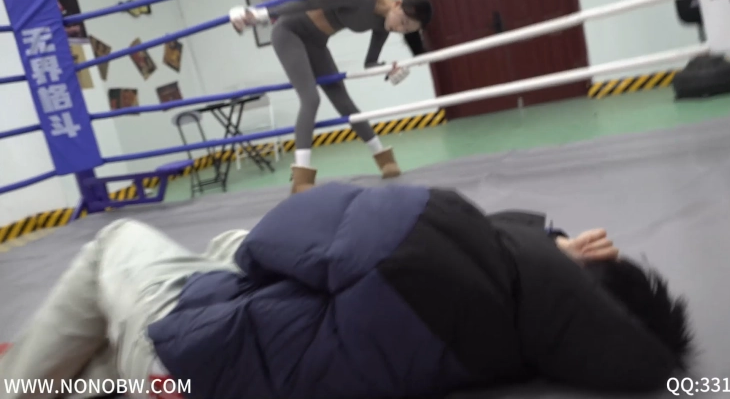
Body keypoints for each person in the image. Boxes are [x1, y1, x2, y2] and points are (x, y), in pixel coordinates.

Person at [0, 183, 693, 399]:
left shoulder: (437, 244)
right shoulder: (506, 333)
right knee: (224, 251)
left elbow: (284, 232)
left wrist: (545, 247)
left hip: (187, 361)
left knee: (117, 242)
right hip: (220, 367)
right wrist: (549, 248)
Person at [229, 0, 433, 193]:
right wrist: (262, 13)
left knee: (344, 102)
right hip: (290, 32)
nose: (399, 29)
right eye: (403, 22)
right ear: (397, 4)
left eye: (405, 31)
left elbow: (370, 62)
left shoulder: (384, 23)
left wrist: (388, 69)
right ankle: (301, 178)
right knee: (310, 99)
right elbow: (311, 0)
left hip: (317, 42)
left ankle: (385, 160)